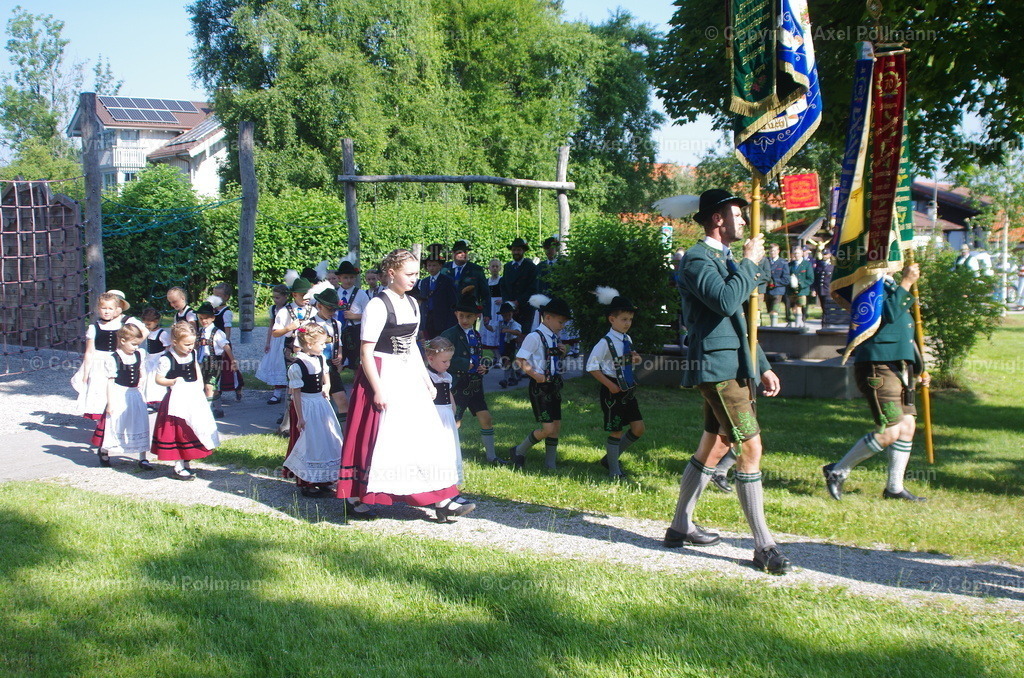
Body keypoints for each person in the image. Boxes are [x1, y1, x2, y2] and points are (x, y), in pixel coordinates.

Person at [669, 188, 790, 575]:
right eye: (738, 215)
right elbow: (724, 301)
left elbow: (741, 320)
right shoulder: (697, 259)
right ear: (717, 219)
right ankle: (764, 546)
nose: (744, 221)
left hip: (735, 363)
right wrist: (750, 264)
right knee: (751, 449)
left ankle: (679, 526)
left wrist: (763, 363)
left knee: (715, 445)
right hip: (718, 368)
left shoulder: (725, 258)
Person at [337, 248, 471, 522]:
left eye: (416, 274)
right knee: (379, 437)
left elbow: (411, 347)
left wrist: (425, 379)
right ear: (391, 273)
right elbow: (366, 352)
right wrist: (378, 389)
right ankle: (355, 496)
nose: (414, 279)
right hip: (382, 373)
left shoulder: (412, 304)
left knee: (425, 434)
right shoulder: (377, 305)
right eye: (408, 274)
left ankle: (442, 496)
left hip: (407, 373)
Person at [823, 263, 931, 502]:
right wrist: (907, 283)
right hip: (878, 365)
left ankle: (894, 488)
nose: (900, 261)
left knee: (907, 426)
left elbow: (905, 331)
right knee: (890, 430)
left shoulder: (890, 284)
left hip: (899, 365)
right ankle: (837, 471)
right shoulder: (867, 284)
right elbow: (888, 316)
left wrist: (918, 367)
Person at [586, 287, 644, 479]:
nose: (628, 323)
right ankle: (614, 470)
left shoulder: (627, 339)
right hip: (612, 389)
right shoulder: (605, 342)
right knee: (616, 430)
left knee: (638, 428)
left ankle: (610, 458)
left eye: (630, 319)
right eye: (624, 319)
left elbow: (624, 361)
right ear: (612, 319)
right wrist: (609, 385)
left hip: (627, 389)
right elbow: (592, 367)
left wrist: (635, 359)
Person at [440, 293, 505, 465]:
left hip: (476, 384)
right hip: (459, 385)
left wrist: (484, 366)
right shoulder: (450, 334)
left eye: (469, 316)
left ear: (477, 317)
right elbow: (441, 357)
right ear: (456, 315)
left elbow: (478, 356)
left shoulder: (476, 335)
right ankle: (447, 457)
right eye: (461, 315)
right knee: (456, 422)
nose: (464, 319)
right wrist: (465, 364)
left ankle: (491, 456)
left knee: (486, 418)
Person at [509, 293, 572, 470]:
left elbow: (551, 359)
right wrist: (535, 375)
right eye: (561, 322)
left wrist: (562, 352)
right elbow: (520, 359)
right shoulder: (534, 337)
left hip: (554, 386)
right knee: (548, 428)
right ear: (548, 317)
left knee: (556, 426)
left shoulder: (553, 337)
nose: (562, 326)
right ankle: (519, 450)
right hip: (540, 388)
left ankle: (550, 463)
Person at [151, 321, 220, 480]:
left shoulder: (192, 354)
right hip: (176, 399)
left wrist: (200, 386)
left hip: (192, 396)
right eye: (186, 344)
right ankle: (178, 465)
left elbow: (196, 369)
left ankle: (187, 459)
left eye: (192, 343)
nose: (190, 347)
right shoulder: (167, 358)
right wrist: (173, 381)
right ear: (175, 342)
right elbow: (159, 379)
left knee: (192, 428)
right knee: (177, 431)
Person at [283, 323, 344, 497]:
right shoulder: (297, 365)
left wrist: (327, 387)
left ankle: (324, 479)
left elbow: (326, 376)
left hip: (320, 404)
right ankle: (307, 482)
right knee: (311, 442)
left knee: (327, 438)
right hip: (306, 405)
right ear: (309, 344)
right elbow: (295, 393)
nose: (324, 346)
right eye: (322, 343)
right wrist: (300, 417)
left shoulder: (320, 359)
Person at [90, 323, 151, 469]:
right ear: (123, 341)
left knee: (139, 422)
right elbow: (110, 382)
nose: (136, 347)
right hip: (119, 393)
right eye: (133, 344)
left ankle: (142, 457)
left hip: (135, 393)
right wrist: (110, 403)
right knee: (116, 423)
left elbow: (141, 371)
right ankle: (105, 450)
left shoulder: (139, 354)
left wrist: (142, 380)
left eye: (138, 344)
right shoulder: (114, 358)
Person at [72, 291, 130, 421]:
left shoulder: (121, 326)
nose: (107, 311)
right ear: (98, 309)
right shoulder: (94, 328)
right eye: (104, 308)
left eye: (110, 309)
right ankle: (102, 423)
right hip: (98, 363)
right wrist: (85, 373)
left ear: (116, 310)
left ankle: (115, 420)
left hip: (115, 361)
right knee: (99, 391)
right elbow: (89, 351)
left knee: (115, 390)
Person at [424, 337, 463, 484]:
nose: (448, 365)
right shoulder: (427, 377)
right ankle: (434, 479)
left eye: (449, 361)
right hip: (435, 415)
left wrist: (454, 413)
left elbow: (450, 395)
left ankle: (449, 479)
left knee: (449, 447)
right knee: (436, 448)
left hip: (446, 414)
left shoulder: (447, 377)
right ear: (431, 358)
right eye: (444, 361)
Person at [309, 281, 350, 419]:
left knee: (342, 400)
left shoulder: (336, 324)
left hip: (331, 367)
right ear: (319, 306)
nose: (333, 313)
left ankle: (342, 433)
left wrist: (339, 355)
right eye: (330, 309)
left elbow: (338, 342)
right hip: (314, 367)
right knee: (318, 401)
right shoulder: (310, 324)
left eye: (335, 310)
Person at [195, 298, 237, 419]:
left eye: (206, 318)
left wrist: (233, 361)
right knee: (205, 386)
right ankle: (218, 409)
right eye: (201, 318)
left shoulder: (218, 333)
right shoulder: (200, 332)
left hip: (214, 363)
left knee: (210, 386)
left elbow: (226, 347)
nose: (203, 321)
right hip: (201, 363)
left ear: (213, 318)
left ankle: (206, 412)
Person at [256, 284, 290, 405]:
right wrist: (268, 342)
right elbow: (271, 326)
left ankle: (289, 392)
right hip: (276, 339)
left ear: (286, 297)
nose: (276, 300)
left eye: (278, 297)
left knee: (285, 363)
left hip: (286, 339)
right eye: (274, 297)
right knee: (276, 364)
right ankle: (277, 393)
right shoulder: (273, 309)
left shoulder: (290, 309)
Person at [335, 260, 370, 373]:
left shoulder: (361, 294)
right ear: (339, 278)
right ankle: (334, 384)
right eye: (345, 277)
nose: (348, 280)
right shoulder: (334, 293)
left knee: (356, 359)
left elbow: (369, 314)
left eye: (351, 277)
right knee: (337, 358)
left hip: (355, 329)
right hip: (337, 329)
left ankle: (357, 382)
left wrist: (355, 316)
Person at [208, 292, 244, 401]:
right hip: (212, 343)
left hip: (222, 343)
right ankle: (216, 389)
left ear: (226, 296)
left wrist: (225, 344)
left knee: (228, 368)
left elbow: (227, 330)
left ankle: (237, 387)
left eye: (218, 295)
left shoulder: (226, 312)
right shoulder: (214, 310)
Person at [417, 244, 458, 340]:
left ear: (440, 266)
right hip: (428, 320)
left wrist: (451, 322)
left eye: (434, 265)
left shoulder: (447, 280)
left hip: (442, 320)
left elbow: (452, 302)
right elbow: (423, 303)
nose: (431, 268)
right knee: (429, 344)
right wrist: (422, 323)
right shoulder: (424, 282)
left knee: (442, 344)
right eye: (429, 265)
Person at [500, 237, 538, 333]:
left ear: (523, 251)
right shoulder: (507, 267)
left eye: (518, 250)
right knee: (510, 336)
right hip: (510, 308)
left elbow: (533, 287)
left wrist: (518, 302)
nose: (516, 252)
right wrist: (508, 302)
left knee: (523, 335)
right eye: (514, 250)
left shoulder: (531, 267)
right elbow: (504, 286)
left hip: (525, 307)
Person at [443, 239, 490, 315]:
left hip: (469, 311)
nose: (463, 254)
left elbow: (485, 294)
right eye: (460, 252)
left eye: (465, 252)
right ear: (453, 253)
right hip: (447, 311)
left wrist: (486, 314)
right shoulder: (444, 269)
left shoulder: (476, 270)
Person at [140, 307, 171, 410]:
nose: (147, 326)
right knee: (149, 380)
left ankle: (159, 401)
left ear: (156, 321)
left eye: (149, 324)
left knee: (156, 380)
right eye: (145, 324)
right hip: (150, 358)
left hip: (158, 358)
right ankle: (150, 401)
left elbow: (167, 347)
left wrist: (164, 359)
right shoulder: (149, 332)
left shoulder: (162, 334)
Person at [480, 257, 504, 361]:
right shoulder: (486, 281)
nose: (494, 268)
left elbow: (507, 293)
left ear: (500, 268)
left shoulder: (502, 280)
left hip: (498, 309)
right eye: (492, 266)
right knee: (487, 329)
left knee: (497, 330)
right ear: (489, 268)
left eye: (496, 266)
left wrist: (503, 300)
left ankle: (499, 357)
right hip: (488, 308)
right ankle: (494, 357)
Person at [495, 301, 524, 388]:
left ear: (512, 314)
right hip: (503, 345)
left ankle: (505, 380)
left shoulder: (514, 324)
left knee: (507, 362)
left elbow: (518, 332)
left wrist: (508, 330)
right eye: (504, 315)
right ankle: (514, 378)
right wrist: (486, 325)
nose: (507, 317)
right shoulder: (500, 323)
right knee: (507, 362)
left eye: (509, 315)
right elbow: (492, 328)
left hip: (511, 345)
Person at [788, 246, 813, 328]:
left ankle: (798, 324)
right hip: (791, 291)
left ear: (802, 253)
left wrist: (800, 284)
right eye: (795, 253)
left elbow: (810, 279)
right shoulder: (790, 265)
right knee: (793, 308)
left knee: (798, 306)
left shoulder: (807, 265)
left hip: (802, 291)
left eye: (798, 253)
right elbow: (787, 276)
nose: (796, 255)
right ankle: (798, 322)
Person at [765, 244, 789, 326]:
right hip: (767, 291)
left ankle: (773, 328)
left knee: (774, 311)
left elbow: (786, 279)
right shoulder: (766, 261)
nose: (773, 252)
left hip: (778, 291)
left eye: (775, 250)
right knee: (769, 311)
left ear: (778, 251)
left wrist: (775, 282)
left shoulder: (783, 263)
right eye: (771, 251)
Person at [814, 250, 835, 317]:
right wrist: (814, 289)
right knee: (823, 306)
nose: (824, 256)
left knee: (827, 307)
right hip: (820, 289)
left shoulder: (832, 265)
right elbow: (816, 278)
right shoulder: (819, 264)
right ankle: (824, 322)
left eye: (826, 254)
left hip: (828, 289)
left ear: (829, 255)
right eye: (823, 254)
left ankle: (827, 321)